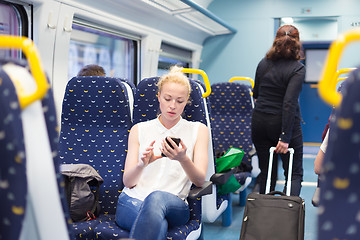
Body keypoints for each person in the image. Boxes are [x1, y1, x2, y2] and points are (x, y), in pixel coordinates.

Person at [115, 66, 209, 239]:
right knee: (158, 223)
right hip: (132, 201)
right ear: (159, 97)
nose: (172, 106)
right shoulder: (139, 129)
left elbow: (199, 180)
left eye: (180, 101)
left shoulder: (198, 130)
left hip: (174, 204)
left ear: (187, 100)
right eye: (167, 99)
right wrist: (142, 165)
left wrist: (183, 159)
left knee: (156, 199)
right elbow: (128, 182)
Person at [251, 25, 305, 196]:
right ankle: (288, 217)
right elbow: (289, 103)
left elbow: (256, 94)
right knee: (293, 173)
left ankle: (263, 218)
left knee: (266, 174)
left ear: (276, 40)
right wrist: (284, 136)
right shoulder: (297, 68)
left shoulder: (263, 63)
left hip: (259, 122)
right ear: (297, 42)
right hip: (282, 124)